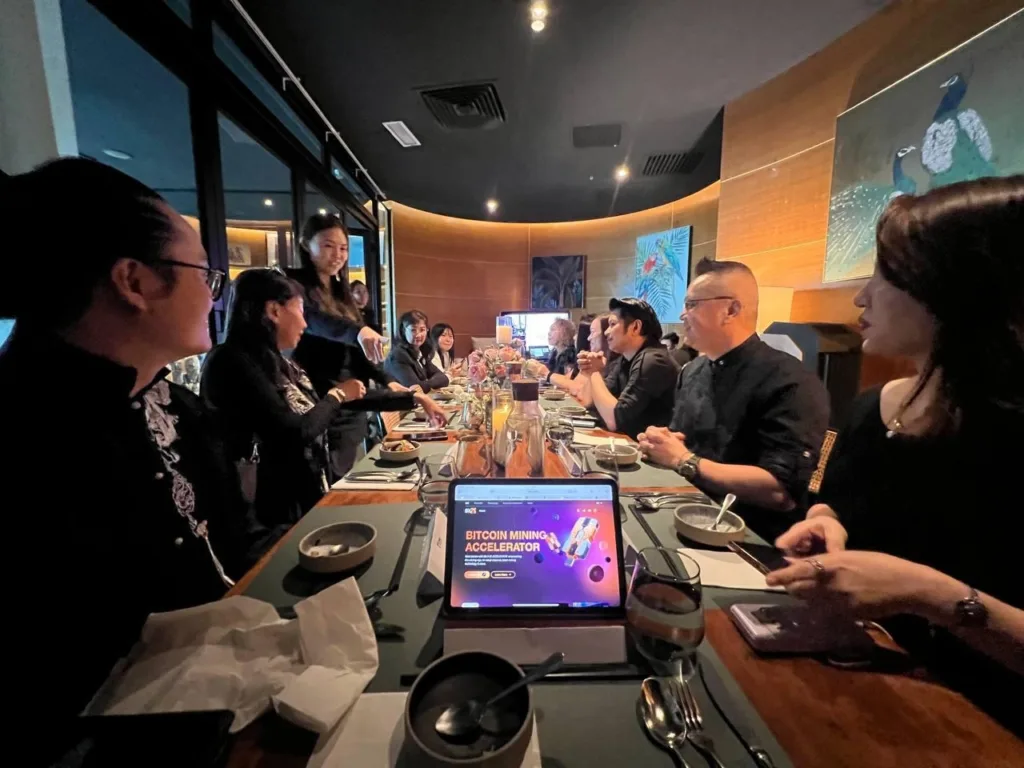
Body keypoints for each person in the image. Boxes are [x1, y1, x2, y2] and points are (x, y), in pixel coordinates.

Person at [0, 158, 252, 747]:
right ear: (133, 282)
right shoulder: (30, 439)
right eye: (204, 273)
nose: (213, 296)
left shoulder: (175, 404)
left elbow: (230, 553)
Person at [767, 177, 1023, 728]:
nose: (861, 297)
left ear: (954, 289)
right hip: (857, 691)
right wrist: (825, 521)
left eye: (884, 275)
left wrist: (926, 593)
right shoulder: (868, 407)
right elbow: (829, 499)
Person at [203, 270, 437, 527]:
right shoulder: (232, 361)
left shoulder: (279, 361)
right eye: (300, 310)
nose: (305, 324)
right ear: (274, 311)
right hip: (269, 520)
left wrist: (412, 398)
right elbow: (295, 431)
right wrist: (337, 395)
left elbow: (347, 398)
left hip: (303, 499)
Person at [638, 259, 829, 540]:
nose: (682, 314)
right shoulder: (692, 371)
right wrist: (661, 442)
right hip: (681, 512)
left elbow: (780, 491)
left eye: (692, 304)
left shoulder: (791, 380)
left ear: (731, 310)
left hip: (749, 539)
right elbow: (682, 442)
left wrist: (683, 459)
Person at [288, 214, 443, 475]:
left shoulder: (341, 293)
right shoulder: (294, 287)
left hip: (354, 406)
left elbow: (359, 355)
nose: (338, 255)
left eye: (343, 248)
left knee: (350, 475)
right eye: (328, 245)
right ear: (305, 244)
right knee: (328, 481)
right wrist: (357, 331)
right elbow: (313, 320)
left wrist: (386, 379)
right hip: (322, 402)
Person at [576, 298, 679, 437]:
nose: (606, 332)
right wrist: (591, 371)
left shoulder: (653, 360)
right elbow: (589, 402)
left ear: (635, 327)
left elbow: (614, 420)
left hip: (645, 446)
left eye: (612, 324)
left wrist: (594, 372)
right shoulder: (625, 359)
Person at [385, 310, 450, 392]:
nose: (418, 335)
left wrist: (425, 385)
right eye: (413, 330)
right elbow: (414, 387)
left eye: (422, 330)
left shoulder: (420, 353)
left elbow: (444, 378)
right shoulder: (398, 355)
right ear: (403, 331)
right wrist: (428, 384)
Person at [531, 317, 577, 384]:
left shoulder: (570, 354)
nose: (549, 333)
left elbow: (566, 380)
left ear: (564, 333)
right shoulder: (555, 352)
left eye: (552, 330)